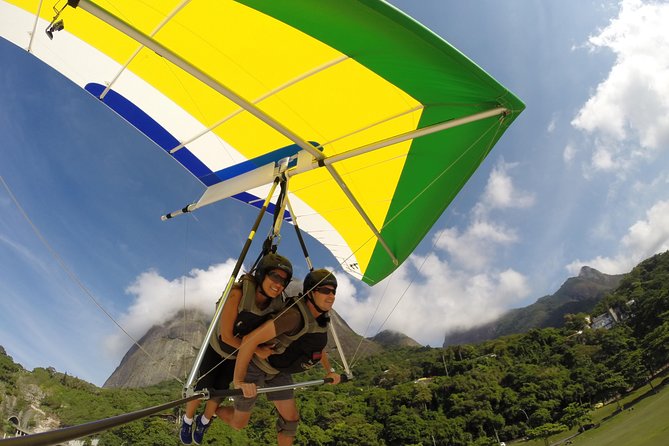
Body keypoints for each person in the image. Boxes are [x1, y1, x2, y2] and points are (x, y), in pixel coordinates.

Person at [216, 269, 342, 446]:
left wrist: (330, 371)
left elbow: (316, 348)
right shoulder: (293, 316)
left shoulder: (319, 321)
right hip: (256, 365)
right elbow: (249, 340)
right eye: (325, 291)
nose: (331, 296)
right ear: (311, 292)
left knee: (291, 421)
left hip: (277, 370)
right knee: (239, 423)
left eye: (333, 291)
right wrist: (239, 382)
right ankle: (213, 410)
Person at [179, 253, 293, 445]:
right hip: (218, 348)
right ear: (262, 274)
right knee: (203, 386)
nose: (279, 283)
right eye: (275, 276)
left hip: (237, 355)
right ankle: (187, 420)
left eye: (284, 280)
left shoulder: (275, 306)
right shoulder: (238, 293)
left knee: (221, 389)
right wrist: (256, 349)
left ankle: (204, 421)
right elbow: (227, 336)